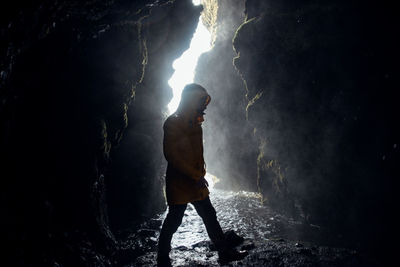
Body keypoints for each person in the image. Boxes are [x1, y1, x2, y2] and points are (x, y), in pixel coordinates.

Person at [157, 83, 248, 266]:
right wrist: (195, 175)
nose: (205, 105)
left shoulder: (195, 122)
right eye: (201, 100)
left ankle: (224, 252)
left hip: (196, 181)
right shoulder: (173, 122)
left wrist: (201, 174)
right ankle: (162, 257)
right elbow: (172, 155)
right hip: (180, 183)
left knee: (209, 214)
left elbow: (197, 153)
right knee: (174, 220)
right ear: (190, 100)